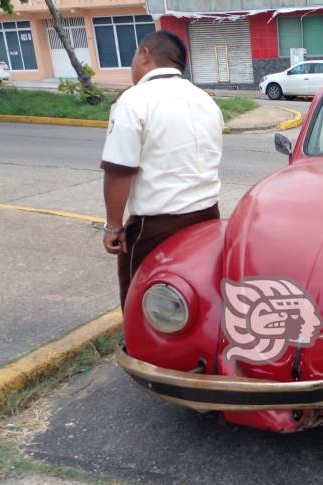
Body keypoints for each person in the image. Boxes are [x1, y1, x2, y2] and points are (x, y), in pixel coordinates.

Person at [100, 30, 225, 309]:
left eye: (133, 56)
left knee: (144, 309)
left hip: (156, 228)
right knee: (197, 301)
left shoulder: (133, 101)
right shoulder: (205, 101)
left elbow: (119, 171)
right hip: (208, 218)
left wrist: (113, 227)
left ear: (145, 54)